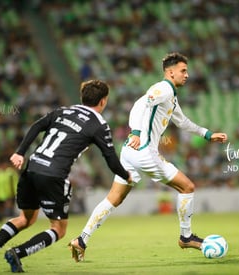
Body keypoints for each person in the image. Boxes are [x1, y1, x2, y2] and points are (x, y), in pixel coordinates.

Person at [69, 52, 228, 262]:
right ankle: (186, 236)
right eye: (183, 71)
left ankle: (82, 240)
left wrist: (207, 134)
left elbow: (182, 121)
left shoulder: (170, 94)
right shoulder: (162, 89)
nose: (186, 75)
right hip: (144, 151)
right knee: (187, 187)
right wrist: (135, 131)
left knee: (114, 198)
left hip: (129, 152)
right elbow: (139, 106)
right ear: (170, 72)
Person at [0, 80, 131, 273]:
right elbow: (111, 159)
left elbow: (37, 126)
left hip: (31, 168)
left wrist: (20, 152)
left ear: (82, 97)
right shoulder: (99, 124)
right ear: (103, 101)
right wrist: (126, 176)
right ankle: (18, 252)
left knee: (25, 219)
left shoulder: (63, 111)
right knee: (59, 229)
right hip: (53, 175)